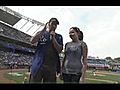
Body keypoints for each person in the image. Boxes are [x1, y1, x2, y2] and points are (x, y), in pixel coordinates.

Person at [30, 18, 63, 83]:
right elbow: (32, 41)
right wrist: (43, 30)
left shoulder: (59, 36)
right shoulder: (41, 33)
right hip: (39, 65)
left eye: (56, 25)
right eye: (52, 23)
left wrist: (53, 38)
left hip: (51, 67)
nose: (54, 26)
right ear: (48, 24)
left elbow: (59, 50)